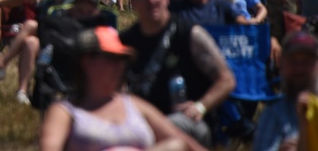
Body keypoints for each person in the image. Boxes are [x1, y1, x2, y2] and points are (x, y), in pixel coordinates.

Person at [39, 25, 206, 151]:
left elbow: (185, 143)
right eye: (112, 58)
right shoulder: (66, 111)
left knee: (175, 146)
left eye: (122, 60)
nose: (120, 66)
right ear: (86, 61)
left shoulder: (133, 104)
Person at [120, 0, 235, 147]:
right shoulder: (126, 42)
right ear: (133, 3)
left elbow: (226, 80)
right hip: (143, 119)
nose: (151, 1)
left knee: (171, 126)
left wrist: (200, 106)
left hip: (186, 121)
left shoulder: (189, 33)